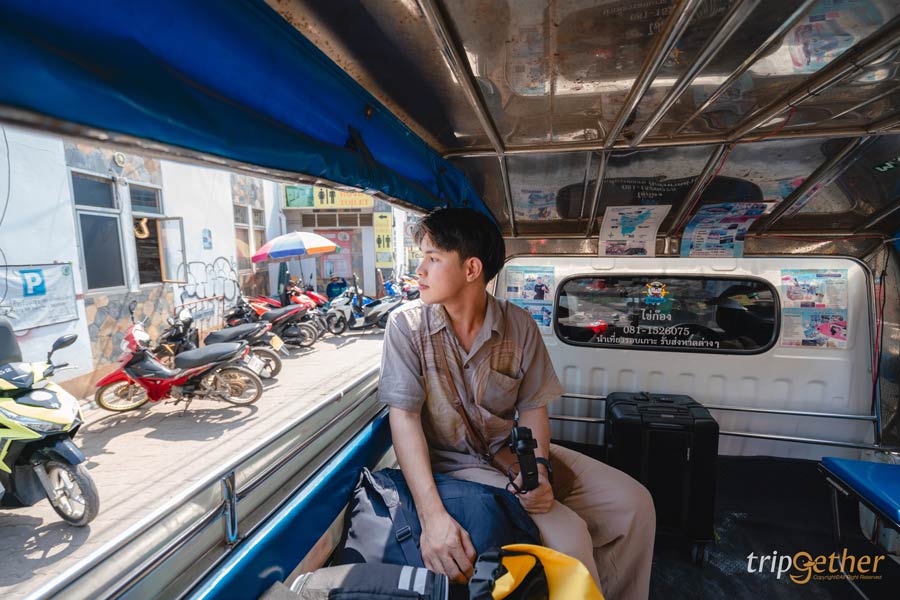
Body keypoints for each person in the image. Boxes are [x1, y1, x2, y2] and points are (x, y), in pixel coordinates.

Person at [378, 207, 656, 599]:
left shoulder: (519, 325)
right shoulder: (406, 327)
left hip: (509, 451)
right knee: (570, 536)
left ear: (471, 269)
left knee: (634, 504)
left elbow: (532, 408)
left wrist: (538, 470)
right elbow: (404, 418)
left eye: (433, 259)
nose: (419, 270)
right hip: (455, 464)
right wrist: (433, 517)